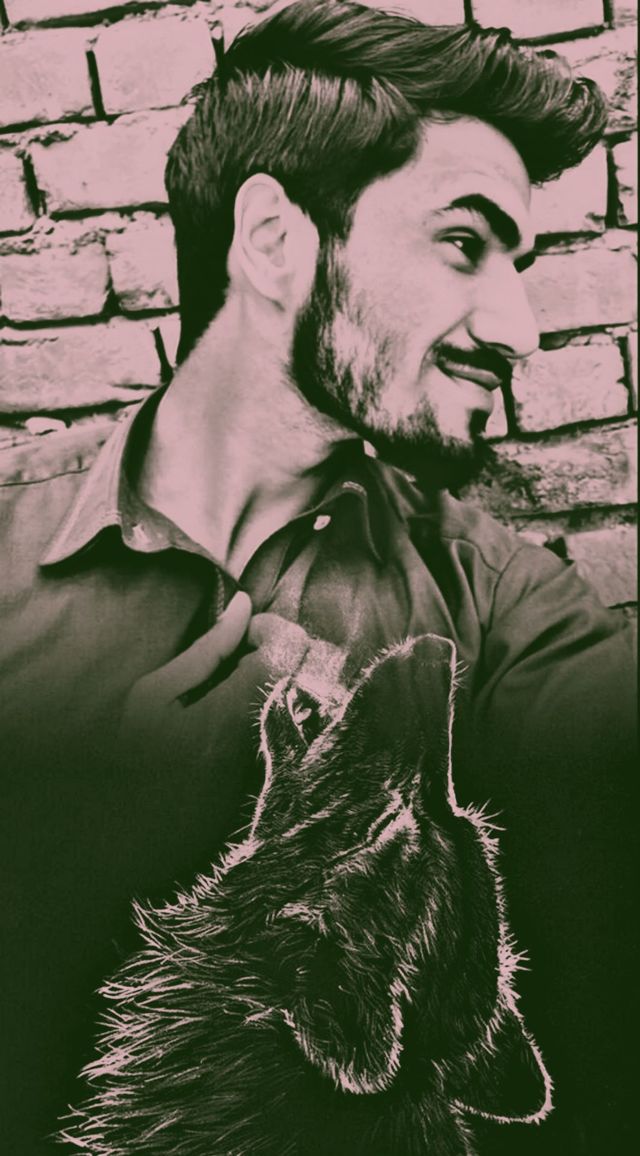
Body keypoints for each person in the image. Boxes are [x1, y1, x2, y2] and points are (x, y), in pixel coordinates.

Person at [0, 2, 636, 1153]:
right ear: (273, 240)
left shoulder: (501, 604)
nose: (521, 329)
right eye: (463, 242)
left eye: (519, 264)